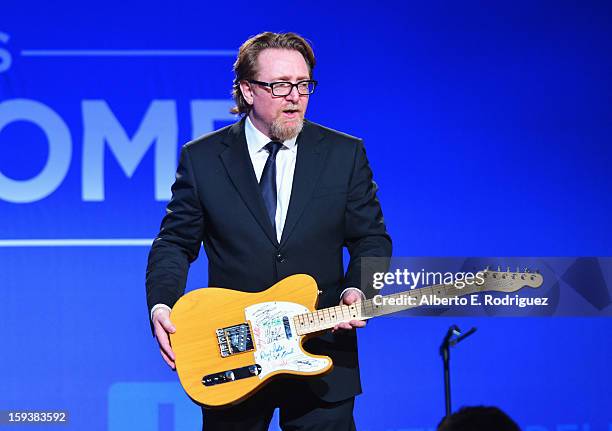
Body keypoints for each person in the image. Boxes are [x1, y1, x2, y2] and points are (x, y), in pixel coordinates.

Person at [146, 31, 392, 430]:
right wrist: (162, 304)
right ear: (246, 90)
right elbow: (174, 241)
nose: (294, 96)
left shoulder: (344, 154)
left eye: (303, 84)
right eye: (279, 85)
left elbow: (371, 238)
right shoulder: (203, 158)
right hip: (233, 353)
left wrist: (358, 288)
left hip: (322, 353)